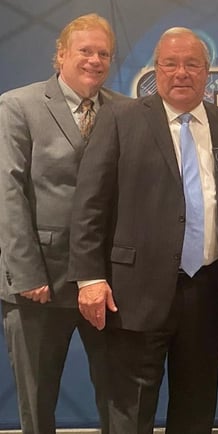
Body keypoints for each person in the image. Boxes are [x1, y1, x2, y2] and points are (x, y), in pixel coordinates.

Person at [67, 27, 218, 434]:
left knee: (197, 408)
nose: (181, 73)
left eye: (192, 64)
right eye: (170, 64)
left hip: (206, 291)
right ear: (156, 69)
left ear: (207, 71)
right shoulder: (119, 118)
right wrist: (89, 278)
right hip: (133, 292)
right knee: (130, 412)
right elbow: (90, 203)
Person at [0, 13, 120, 434]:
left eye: (103, 53)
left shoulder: (124, 109)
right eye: (85, 51)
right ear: (61, 55)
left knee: (118, 400)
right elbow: (8, 193)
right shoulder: (18, 106)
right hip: (40, 284)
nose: (95, 60)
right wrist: (27, 274)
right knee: (37, 404)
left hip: (106, 284)